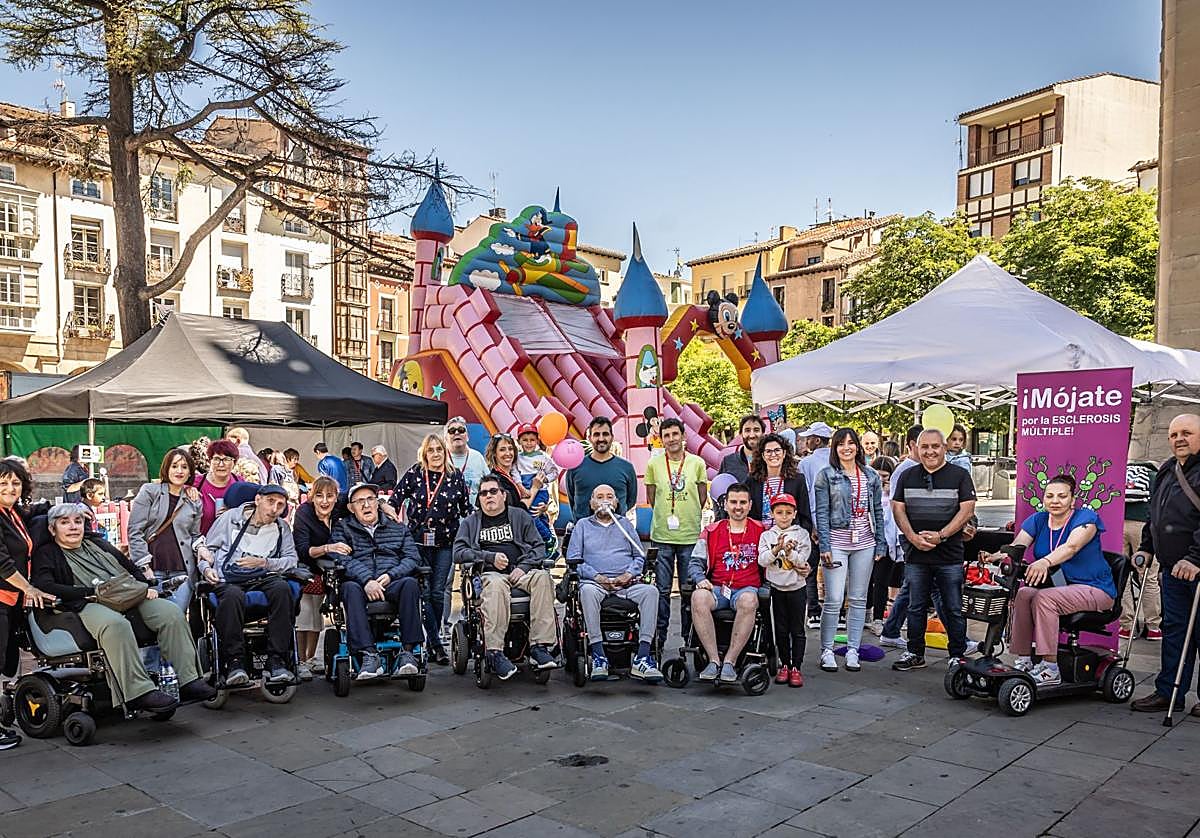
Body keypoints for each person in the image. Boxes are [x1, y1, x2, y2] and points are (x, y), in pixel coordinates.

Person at [32, 503, 215, 713]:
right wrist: (87, 592)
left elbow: (129, 568)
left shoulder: (98, 544)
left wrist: (145, 586)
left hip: (125, 594)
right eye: (64, 523)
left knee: (170, 612)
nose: (73, 527)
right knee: (114, 624)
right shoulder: (46, 553)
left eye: (78, 521)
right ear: (52, 529)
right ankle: (138, 692)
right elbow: (45, 585)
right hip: (86, 602)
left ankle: (189, 680)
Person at [1002, 474, 1116, 685]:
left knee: (1045, 598)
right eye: (1050, 496)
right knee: (1025, 593)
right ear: (1044, 499)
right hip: (1061, 587)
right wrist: (998, 556)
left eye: (1062, 496)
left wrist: (1044, 562)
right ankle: (1024, 658)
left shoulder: (1086, 519)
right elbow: (1018, 546)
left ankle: (1050, 668)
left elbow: (1071, 547)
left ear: (1073, 500)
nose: (1055, 501)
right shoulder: (1038, 519)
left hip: (1095, 589)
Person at [452, 474, 557, 680]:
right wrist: (488, 557)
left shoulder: (519, 516)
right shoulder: (471, 522)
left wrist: (524, 566)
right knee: (497, 584)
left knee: (544, 578)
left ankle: (539, 647)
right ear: (479, 498)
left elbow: (538, 547)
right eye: (483, 493)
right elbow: (458, 552)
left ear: (503, 495)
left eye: (493, 491)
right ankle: (495, 652)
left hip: (520, 572)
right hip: (490, 575)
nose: (488, 496)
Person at [890, 428, 976, 671]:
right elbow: (898, 508)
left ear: (944, 448)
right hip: (916, 553)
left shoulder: (959, 475)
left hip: (949, 555)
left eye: (935, 446)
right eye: (924, 446)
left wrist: (941, 536)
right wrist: (912, 537)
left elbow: (967, 509)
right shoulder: (907, 476)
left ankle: (957, 654)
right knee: (915, 606)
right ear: (917, 448)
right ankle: (914, 652)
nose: (930, 451)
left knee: (953, 607)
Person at [197, 484, 299, 686]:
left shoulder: (281, 527)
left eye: (280, 505)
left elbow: (291, 560)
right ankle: (235, 661)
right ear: (258, 499)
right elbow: (206, 551)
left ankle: (276, 660)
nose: (274, 509)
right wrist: (206, 570)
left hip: (263, 576)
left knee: (282, 589)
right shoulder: (230, 519)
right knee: (233, 595)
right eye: (270, 502)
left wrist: (264, 563)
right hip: (229, 577)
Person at [1132, 413, 1200, 713]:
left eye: (1186, 433)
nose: (1179, 439)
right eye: (1173, 434)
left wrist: (1195, 558)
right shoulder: (1167, 469)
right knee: (1175, 631)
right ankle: (1169, 691)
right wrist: (1147, 547)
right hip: (1173, 570)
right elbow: (1154, 514)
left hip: (1196, 568)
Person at [567, 484, 662, 681]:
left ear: (616, 502)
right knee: (587, 592)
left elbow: (639, 556)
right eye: (599, 496)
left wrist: (628, 574)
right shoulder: (582, 526)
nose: (604, 500)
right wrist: (596, 577)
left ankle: (643, 657)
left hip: (625, 583)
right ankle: (599, 655)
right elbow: (574, 560)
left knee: (651, 592)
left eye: (609, 496)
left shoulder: (625, 524)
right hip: (595, 583)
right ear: (592, 503)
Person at [333, 482, 425, 680]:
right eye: (359, 501)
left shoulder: (397, 528)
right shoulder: (343, 528)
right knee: (348, 587)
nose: (366, 505)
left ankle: (408, 653)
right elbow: (342, 559)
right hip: (360, 583)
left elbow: (412, 557)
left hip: (390, 580)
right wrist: (367, 580)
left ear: (378, 502)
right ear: (351, 507)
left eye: (370, 499)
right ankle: (369, 655)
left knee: (410, 584)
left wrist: (392, 574)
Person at [813, 428, 888, 673]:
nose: (847, 448)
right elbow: (821, 513)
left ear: (858, 446)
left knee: (858, 599)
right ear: (834, 448)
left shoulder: (871, 476)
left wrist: (880, 542)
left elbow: (877, 510)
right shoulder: (826, 475)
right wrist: (824, 545)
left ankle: (853, 649)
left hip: (864, 542)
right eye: (841, 444)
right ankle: (827, 649)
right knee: (834, 599)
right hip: (836, 541)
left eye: (851, 443)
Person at [393, 435, 470, 665]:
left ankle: (433, 639)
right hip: (417, 543)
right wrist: (393, 524)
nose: (435, 454)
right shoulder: (415, 473)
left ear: (445, 451)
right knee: (424, 593)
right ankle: (435, 644)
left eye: (439, 449)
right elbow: (395, 499)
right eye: (431, 450)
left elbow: (467, 510)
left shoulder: (455, 476)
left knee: (438, 592)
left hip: (446, 543)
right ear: (424, 453)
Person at [0, 459, 53, 750]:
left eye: (15, 482)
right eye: (3, 483)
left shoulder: (12, 513)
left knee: (6, 660)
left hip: (10, 600)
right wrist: (30, 588)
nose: (10, 488)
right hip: (3, 596)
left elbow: (35, 511)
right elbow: (3, 564)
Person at [689, 483, 764, 684]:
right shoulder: (711, 531)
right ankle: (714, 660)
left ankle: (730, 661)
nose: (737, 507)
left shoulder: (762, 530)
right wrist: (700, 579)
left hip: (747, 588)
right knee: (698, 597)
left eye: (742, 502)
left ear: (749, 505)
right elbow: (695, 562)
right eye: (733, 502)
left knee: (749, 601)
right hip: (718, 588)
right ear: (725, 504)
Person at [646, 417, 709, 647]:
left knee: (688, 590)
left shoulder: (697, 463)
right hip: (662, 536)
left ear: (683, 436)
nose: (671, 439)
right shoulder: (654, 464)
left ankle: (689, 637)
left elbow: (701, 495)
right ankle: (660, 638)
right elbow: (652, 496)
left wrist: (687, 513)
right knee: (661, 590)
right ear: (661, 439)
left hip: (689, 536)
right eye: (667, 435)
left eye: (675, 434)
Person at [127, 449, 203, 613]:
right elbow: (135, 530)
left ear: (190, 471)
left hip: (182, 571)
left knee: (176, 618)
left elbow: (195, 534)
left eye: (184, 467)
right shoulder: (150, 491)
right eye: (174, 466)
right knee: (155, 620)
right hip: (152, 570)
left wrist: (202, 547)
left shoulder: (194, 499)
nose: (179, 471)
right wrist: (144, 567)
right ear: (166, 468)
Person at [292, 476, 349, 681]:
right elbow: (303, 550)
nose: (324, 501)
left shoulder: (340, 508)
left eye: (329, 496)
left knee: (317, 617)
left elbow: (360, 498)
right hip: (308, 567)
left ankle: (311, 657)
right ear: (311, 497)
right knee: (305, 612)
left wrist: (384, 507)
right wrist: (328, 548)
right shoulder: (304, 514)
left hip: (332, 569)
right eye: (319, 496)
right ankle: (300, 660)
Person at [758, 492, 810, 687]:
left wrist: (789, 552)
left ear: (795, 513)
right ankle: (785, 664)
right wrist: (775, 549)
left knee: (797, 629)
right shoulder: (767, 535)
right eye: (779, 512)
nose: (784, 516)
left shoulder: (802, 534)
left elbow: (803, 561)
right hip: (777, 589)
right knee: (780, 629)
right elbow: (762, 560)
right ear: (772, 514)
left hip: (797, 588)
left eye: (788, 512)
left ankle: (796, 666)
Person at [566, 417, 638, 523]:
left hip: (616, 531)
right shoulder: (575, 467)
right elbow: (572, 499)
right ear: (589, 438)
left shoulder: (626, 468)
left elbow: (630, 501)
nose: (601, 438)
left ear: (612, 437)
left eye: (605, 434)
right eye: (596, 434)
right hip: (585, 534)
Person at [1120, 459, 1162, 641]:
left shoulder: (1123, 474)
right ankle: (1153, 627)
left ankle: (1126, 626)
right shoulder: (1155, 476)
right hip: (1144, 528)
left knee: (1122, 576)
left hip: (1119, 525)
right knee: (1149, 577)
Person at [798, 422, 834, 627]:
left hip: (813, 520)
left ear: (817, 440)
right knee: (834, 567)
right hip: (835, 522)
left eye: (809, 438)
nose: (806, 441)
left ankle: (814, 611)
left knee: (809, 567)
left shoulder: (807, 463)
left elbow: (808, 495)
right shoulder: (837, 460)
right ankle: (836, 611)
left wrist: (812, 523)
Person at [746, 433, 812, 529]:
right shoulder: (752, 481)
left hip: (790, 537)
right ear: (763, 456)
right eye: (768, 451)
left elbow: (805, 514)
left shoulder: (798, 480)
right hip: (760, 537)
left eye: (777, 450)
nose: (773, 454)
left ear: (784, 453)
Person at [867, 455, 901, 636]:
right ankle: (868, 614)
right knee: (867, 580)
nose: (881, 480)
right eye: (878, 476)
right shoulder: (868, 490)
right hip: (868, 540)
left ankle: (878, 617)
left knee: (881, 581)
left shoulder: (894, 494)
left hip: (888, 543)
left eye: (885, 476)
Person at [514, 424, 560, 547]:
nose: (529, 443)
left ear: (537, 441)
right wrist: (520, 486)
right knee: (537, 517)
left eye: (532, 440)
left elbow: (554, 472)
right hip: (525, 491)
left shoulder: (543, 457)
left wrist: (545, 479)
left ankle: (548, 538)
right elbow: (515, 473)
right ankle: (542, 545)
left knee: (530, 516)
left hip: (540, 492)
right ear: (519, 442)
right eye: (525, 440)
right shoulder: (517, 458)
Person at [195, 439, 242, 535]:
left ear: (234, 462)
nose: (221, 464)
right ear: (210, 461)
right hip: (200, 543)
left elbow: (249, 513)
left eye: (226, 459)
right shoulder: (197, 483)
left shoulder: (240, 484)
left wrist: (233, 513)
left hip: (229, 545)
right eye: (216, 459)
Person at [445, 417, 487, 505]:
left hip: (475, 515)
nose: (457, 433)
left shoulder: (478, 457)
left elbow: (488, 483)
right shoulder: (441, 458)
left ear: (467, 436)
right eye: (452, 431)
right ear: (445, 438)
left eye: (461, 430)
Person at [484, 433, 527, 509]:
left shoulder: (517, 474)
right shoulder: (495, 480)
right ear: (494, 453)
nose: (508, 453)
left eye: (510, 449)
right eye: (502, 450)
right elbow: (517, 510)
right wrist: (535, 488)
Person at [718, 415, 765, 483]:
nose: (752, 435)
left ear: (763, 433)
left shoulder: (771, 460)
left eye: (756, 430)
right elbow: (720, 486)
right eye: (747, 430)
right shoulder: (728, 461)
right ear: (741, 434)